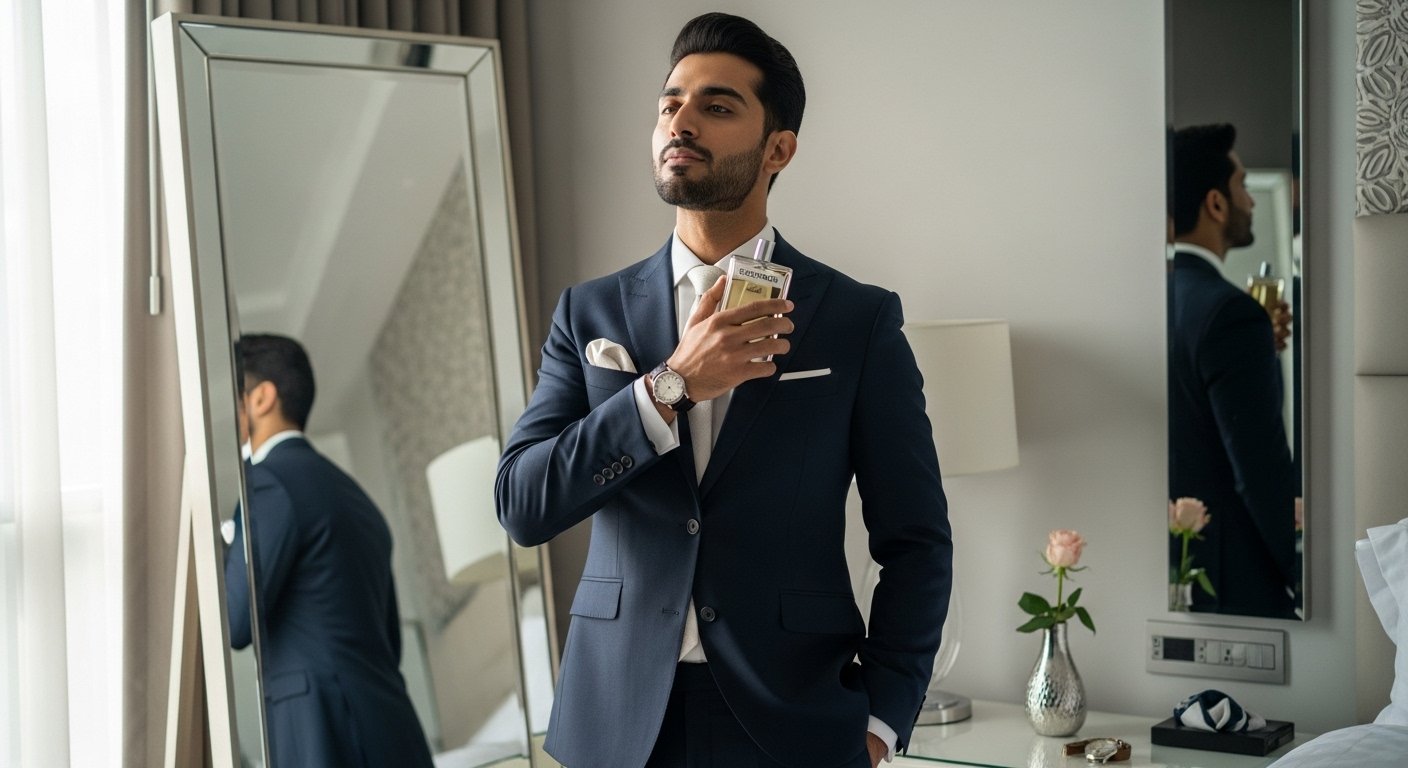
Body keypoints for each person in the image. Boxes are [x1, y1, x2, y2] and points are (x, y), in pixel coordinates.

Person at [495, 13, 951, 768]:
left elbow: (916, 542)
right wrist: (669, 387)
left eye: (717, 106)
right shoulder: (590, 313)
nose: (681, 121)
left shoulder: (854, 320)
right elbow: (523, 503)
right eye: (671, 103)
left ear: (779, 148)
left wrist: (881, 721)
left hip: (791, 723)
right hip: (614, 722)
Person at [226, 333, 433, 767]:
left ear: (262, 397)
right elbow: (388, 642)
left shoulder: (267, 484)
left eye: (233, 394)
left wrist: (223, 543)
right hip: (393, 727)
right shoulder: (358, 499)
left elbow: (235, 620)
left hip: (322, 734)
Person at [1167, 124, 1300, 619]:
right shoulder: (1231, 314)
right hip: (1234, 583)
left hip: (1170, 571)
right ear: (1216, 204)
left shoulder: (1158, 299)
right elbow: (1259, 471)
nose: (1252, 200)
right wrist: (1300, 576)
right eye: (1242, 185)